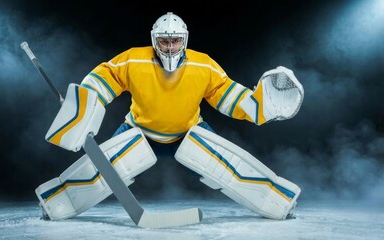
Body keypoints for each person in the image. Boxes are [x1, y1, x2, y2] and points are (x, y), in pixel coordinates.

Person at [36, 12, 304, 221]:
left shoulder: (204, 64)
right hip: (139, 129)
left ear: (184, 40)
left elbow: (227, 94)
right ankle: (53, 204)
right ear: (154, 40)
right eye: (164, 41)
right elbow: (106, 76)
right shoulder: (133, 59)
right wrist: (83, 103)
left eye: (175, 41)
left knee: (230, 171)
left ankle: (281, 203)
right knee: (102, 173)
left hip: (188, 130)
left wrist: (258, 106)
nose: (170, 47)